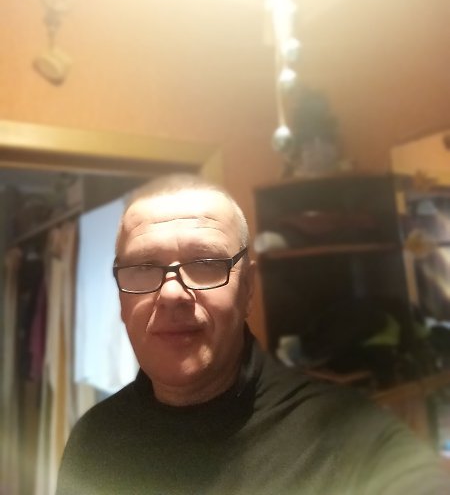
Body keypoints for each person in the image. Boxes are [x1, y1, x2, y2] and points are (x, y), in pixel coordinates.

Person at [56, 173, 447, 494]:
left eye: (205, 262)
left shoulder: (354, 442)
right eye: (143, 267)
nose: (172, 293)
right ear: (121, 297)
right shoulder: (92, 443)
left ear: (247, 289)